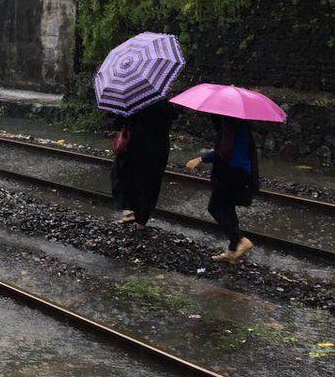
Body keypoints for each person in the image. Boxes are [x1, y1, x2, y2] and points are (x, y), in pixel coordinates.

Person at [186, 115, 259, 262]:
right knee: (227, 209)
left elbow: (224, 152)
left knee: (215, 208)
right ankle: (233, 250)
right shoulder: (240, 121)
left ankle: (240, 240)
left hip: (230, 172)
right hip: (239, 172)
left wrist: (200, 159)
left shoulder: (229, 122)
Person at [110, 100, 178, 228]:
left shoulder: (131, 100)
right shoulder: (161, 100)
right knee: (150, 184)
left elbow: (117, 124)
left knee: (121, 175)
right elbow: (174, 115)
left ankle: (128, 210)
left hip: (135, 147)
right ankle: (141, 221)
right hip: (159, 148)